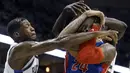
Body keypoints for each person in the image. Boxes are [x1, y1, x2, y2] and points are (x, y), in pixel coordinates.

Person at [4, 11, 117, 73]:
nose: (32, 28)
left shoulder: (108, 49)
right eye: (27, 26)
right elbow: (60, 41)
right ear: (17, 34)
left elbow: (60, 38)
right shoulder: (20, 49)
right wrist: (94, 29)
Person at [52, 2, 127, 73]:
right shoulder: (77, 39)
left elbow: (123, 27)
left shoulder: (106, 43)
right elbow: (57, 36)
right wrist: (65, 12)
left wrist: (95, 18)